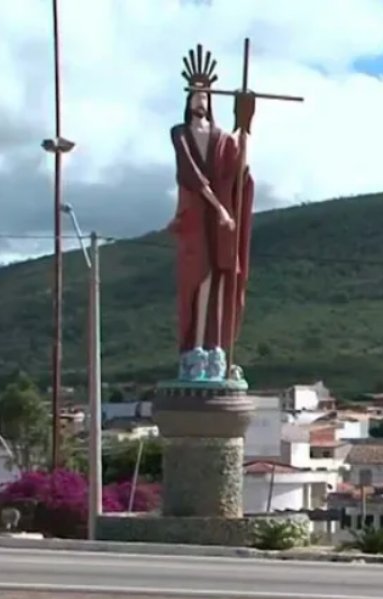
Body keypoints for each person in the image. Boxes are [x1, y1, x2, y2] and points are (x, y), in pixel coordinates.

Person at [166, 56, 256, 383]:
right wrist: (219, 208)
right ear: (188, 100)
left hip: (221, 224)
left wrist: (244, 125)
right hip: (196, 218)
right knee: (197, 279)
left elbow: (238, 171)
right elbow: (189, 173)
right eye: (195, 94)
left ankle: (214, 346)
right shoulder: (180, 133)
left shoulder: (220, 138)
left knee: (219, 279)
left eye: (205, 95)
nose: (200, 100)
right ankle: (194, 350)